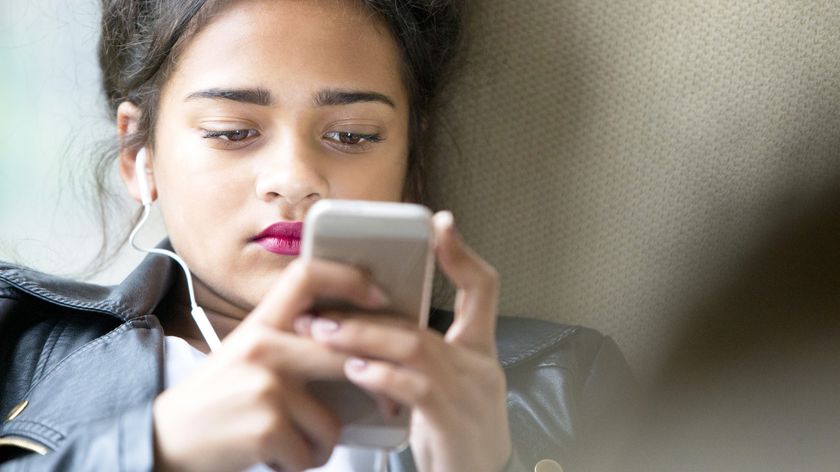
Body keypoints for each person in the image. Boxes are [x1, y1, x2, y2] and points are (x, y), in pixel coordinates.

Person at [0, 0, 635, 470]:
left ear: (411, 162)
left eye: (353, 135)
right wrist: (160, 448)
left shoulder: (560, 381)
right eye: (230, 130)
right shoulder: (14, 346)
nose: (295, 178)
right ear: (138, 155)